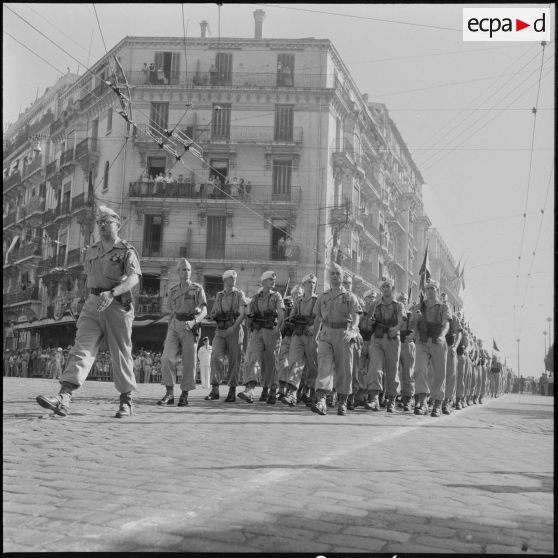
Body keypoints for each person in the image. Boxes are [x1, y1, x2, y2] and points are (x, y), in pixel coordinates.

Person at [36, 205, 141, 418]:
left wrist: (113, 292)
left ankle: (126, 400)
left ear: (118, 225)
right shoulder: (92, 250)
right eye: (100, 223)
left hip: (117, 305)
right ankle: (64, 396)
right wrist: (84, 300)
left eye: (108, 222)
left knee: (121, 353)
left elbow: (134, 277)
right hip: (92, 304)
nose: (103, 226)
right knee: (81, 348)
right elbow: (89, 279)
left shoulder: (126, 250)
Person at [311, 262, 361, 416]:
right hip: (326, 334)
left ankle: (343, 401)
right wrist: (315, 336)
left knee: (344, 369)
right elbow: (318, 318)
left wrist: (353, 330)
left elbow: (356, 316)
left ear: (342, 277)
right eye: (332, 273)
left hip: (343, 334)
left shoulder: (349, 297)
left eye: (337, 274)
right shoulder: (323, 296)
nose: (334, 276)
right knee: (324, 366)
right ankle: (321, 400)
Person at [157, 258, 208, 407]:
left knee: (189, 362)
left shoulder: (197, 289)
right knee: (166, 358)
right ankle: (169, 393)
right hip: (174, 325)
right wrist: (167, 334)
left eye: (189, 270)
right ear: (178, 272)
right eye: (183, 270)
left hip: (190, 325)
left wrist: (194, 321)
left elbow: (204, 310)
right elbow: (171, 313)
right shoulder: (173, 290)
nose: (186, 272)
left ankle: (185, 394)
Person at [238, 271, 285, 404]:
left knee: (271, 362)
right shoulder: (256, 298)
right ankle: (250, 389)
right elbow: (249, 314)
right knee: (252, 358)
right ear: (263, 281)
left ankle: (271, 390)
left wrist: (278, 328)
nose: (273, 281)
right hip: (257, 331)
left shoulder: (276, 296)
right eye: (270, 279)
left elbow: (281, 313)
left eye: (274, 280)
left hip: (271, 331)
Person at [409, 279, 451, 417]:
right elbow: (413, 325)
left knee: (440, 374)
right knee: (420, 369)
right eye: (428, 289)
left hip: (437, 341)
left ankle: (437, 404)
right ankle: (422, 402)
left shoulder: (444, 307)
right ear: (424, 291)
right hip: (422, 341)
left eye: (433, 288)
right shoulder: (419, 307)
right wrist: (415, 320)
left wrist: (442, 336)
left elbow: (446, 324)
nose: (430, 291)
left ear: (437, 291)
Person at [364, 278, 404, 413]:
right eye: (383, 286)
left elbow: (401, 321)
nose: (386, 288)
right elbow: (369, 324)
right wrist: (371, 322)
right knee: (375, 367)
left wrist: (396, 329)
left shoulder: (398, 305)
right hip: (377, 338)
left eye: (388, 286)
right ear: (380, 289)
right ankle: (374, 399)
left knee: (392, 370)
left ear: (392, 288)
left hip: (392, 339)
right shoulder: (375, 304)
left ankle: (391, 399)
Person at [208, 270, 247, 402]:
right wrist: (213, 316)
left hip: (234, 330)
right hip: (220, 330)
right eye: (231, 277)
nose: (234, 279)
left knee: (234, 360)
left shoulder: (239, 294)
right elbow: (214, 311)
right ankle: (215, 388)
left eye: (235, 277)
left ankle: (232, 390)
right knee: (215, 357)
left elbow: (242, 313)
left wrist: (234, 328)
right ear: (224, 280)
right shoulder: (219, 295)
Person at [282, 275, 318, 406]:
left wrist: (314, 327)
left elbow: (321, 317)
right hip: (298, 334)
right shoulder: (298, 301)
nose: (311, 285)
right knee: (295, 362)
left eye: (313, 282)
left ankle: (312, 392)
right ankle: (292, 392)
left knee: (313, 366)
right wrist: (291, 320)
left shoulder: (318, 300)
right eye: (308, 282)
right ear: (304, 285)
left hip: (311, 336)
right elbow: (292, 316)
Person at [440, 293, 462, 415]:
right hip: (437, 346)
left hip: (449, 346)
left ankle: (446, 402)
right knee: (435, 374)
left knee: (450, 376)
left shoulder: (454, 318)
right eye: (441, 300)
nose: (443, 303)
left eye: (445, 301)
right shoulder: (435, 314)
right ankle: (434, 400)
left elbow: (459, 334)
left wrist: (454, 347)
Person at [398, 292, 416, 412]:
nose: (403, 301)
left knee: (408, 373)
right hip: (395, 343)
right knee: (394, 372)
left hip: (408, 343)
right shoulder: (395, 313)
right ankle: (393, 397)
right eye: (401, 299)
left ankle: (408, 398)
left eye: (405, 299)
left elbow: (416, 328)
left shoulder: (411, 315)